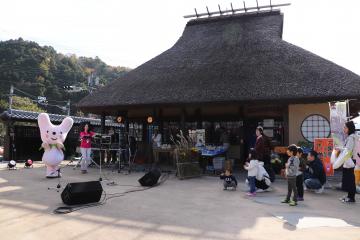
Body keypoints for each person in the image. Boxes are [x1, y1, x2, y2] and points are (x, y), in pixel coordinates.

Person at [336, 121, 357, 203]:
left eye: (345, 127)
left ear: (349, 128)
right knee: (349, 179)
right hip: (349, 160)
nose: (344, 129)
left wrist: (339, 148)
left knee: (350, 179)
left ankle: (351, 198)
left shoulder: (351, 137)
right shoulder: (351, 137)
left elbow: (348, 150)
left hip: (350, 160)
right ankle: (349, 196)